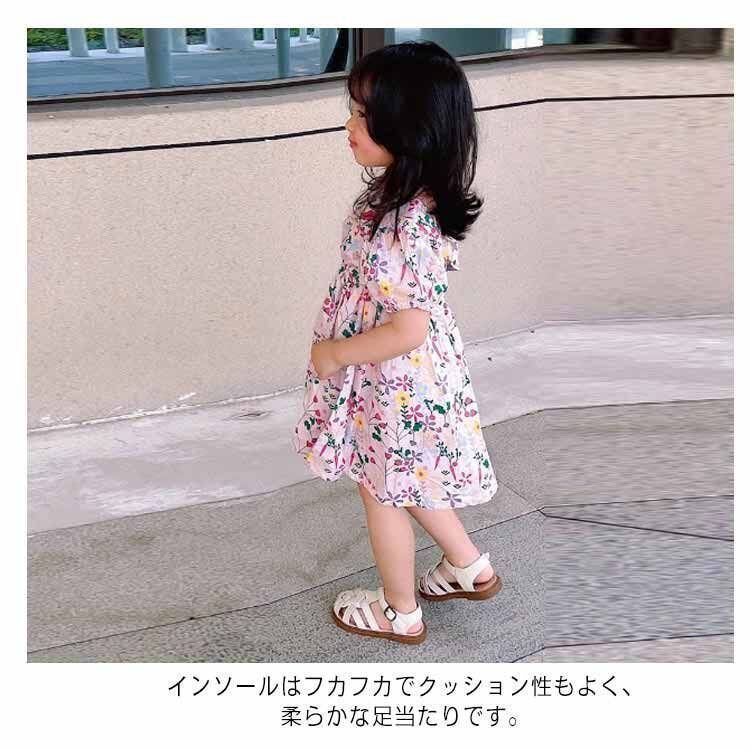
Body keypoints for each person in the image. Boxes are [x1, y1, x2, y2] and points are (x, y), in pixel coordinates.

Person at [292, 41, 501, 645]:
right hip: (401, 382)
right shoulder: (406, 199)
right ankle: (467, 566)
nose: (349, 125)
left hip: (391, 384)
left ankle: (399, 610)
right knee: (407, 477)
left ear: (410, 127)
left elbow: (409, 329)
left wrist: (334, 354)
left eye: (363, 114)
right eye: (353, 111)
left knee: (381, 488)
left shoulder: (406, 222)